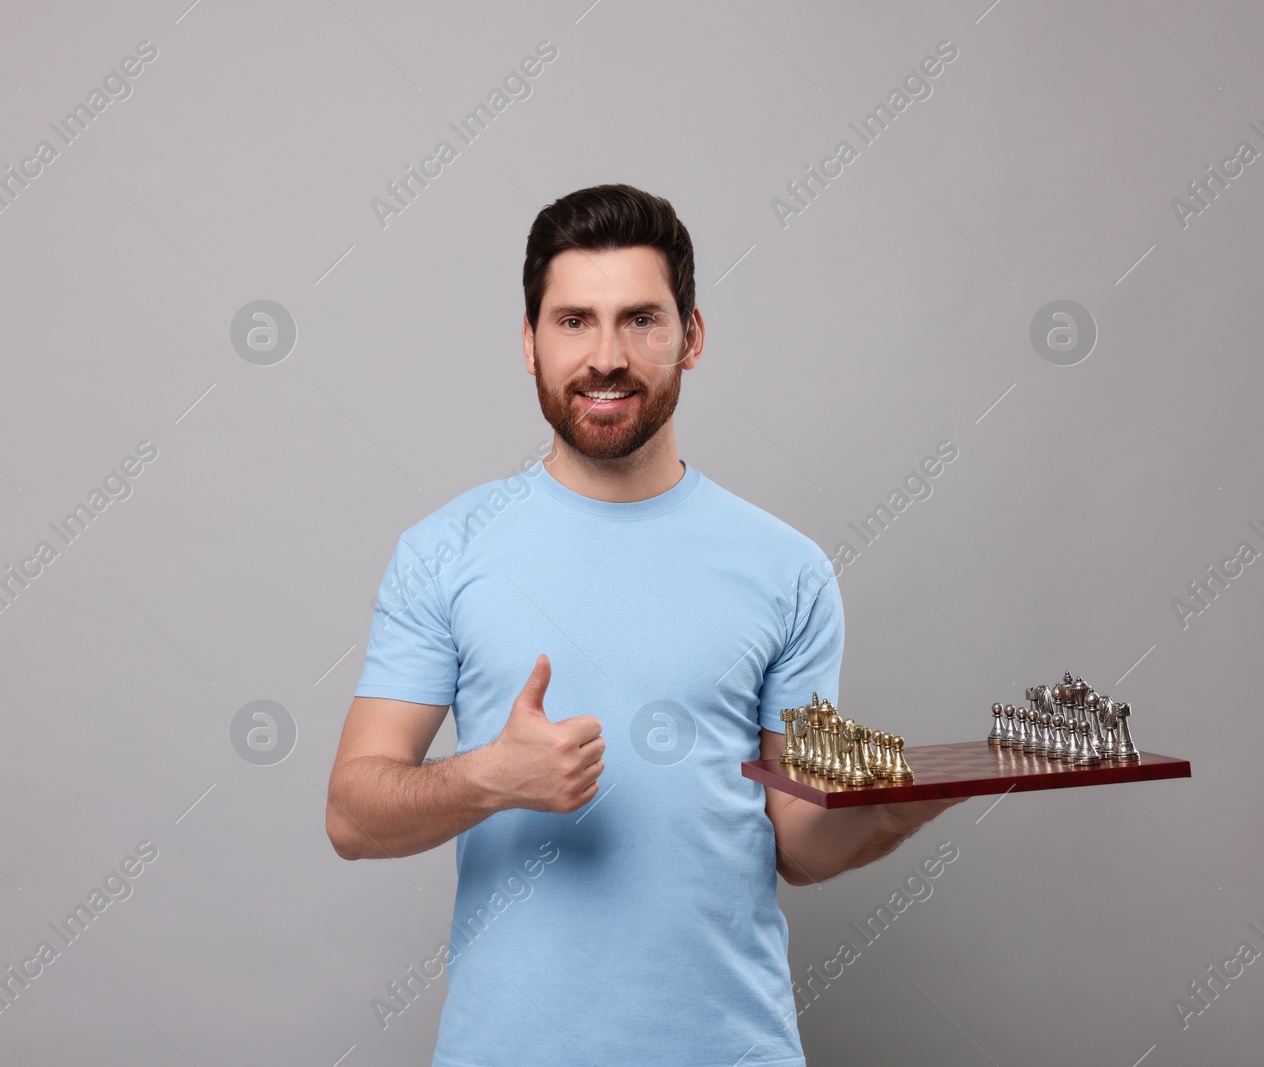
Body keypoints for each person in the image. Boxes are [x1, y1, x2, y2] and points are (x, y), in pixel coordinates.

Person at [325, 183, 964, 1067]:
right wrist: (492, 777)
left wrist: (915, 799)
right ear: (529, 342)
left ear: (690, 337)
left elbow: (801, 843)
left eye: (641, 321)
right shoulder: (444, 552)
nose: (606, 356)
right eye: (574, 321)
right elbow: (354, 815)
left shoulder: (788, 569)